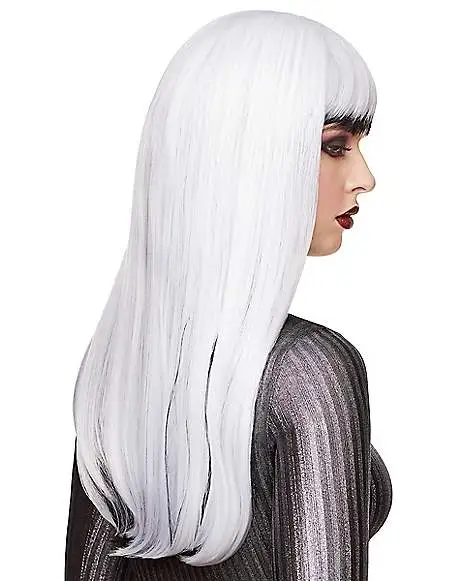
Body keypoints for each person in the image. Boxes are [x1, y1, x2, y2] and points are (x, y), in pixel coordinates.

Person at [65, 9, 392, 580]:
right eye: (336, 145)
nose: (365, 177)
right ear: (250, 158)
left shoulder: (120, 368)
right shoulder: (308, 371)